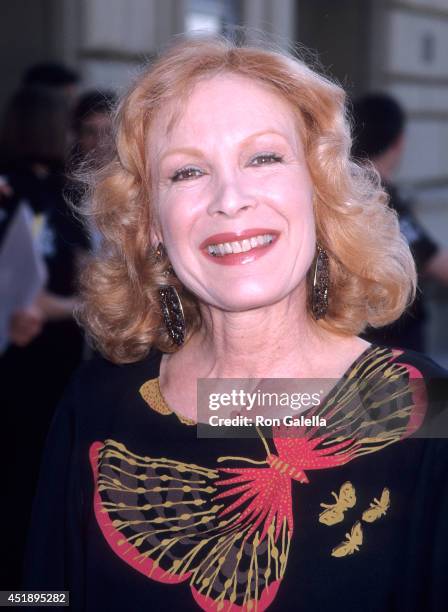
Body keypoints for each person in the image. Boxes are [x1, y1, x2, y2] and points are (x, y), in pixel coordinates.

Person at [23, 35, 448, 611]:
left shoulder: (425, 409)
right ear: (151, 223)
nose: (230, 198)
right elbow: (38, 594)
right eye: (188, 172)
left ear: (318, 191)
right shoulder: (95, 404)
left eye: (264, 158)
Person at [0, 86, 88, 589]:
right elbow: (83, 278)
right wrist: (71, 307)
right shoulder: (48, 193)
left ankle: (27, 591)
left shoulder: (51, 190)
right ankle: (31, 594)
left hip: (34, 354)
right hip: (39, 357)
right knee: (34, 480)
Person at [352, 93, 448, 352]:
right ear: (399, 142)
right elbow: (438, 264)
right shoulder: (380, 197)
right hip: (391, 348)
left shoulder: (342, 190)